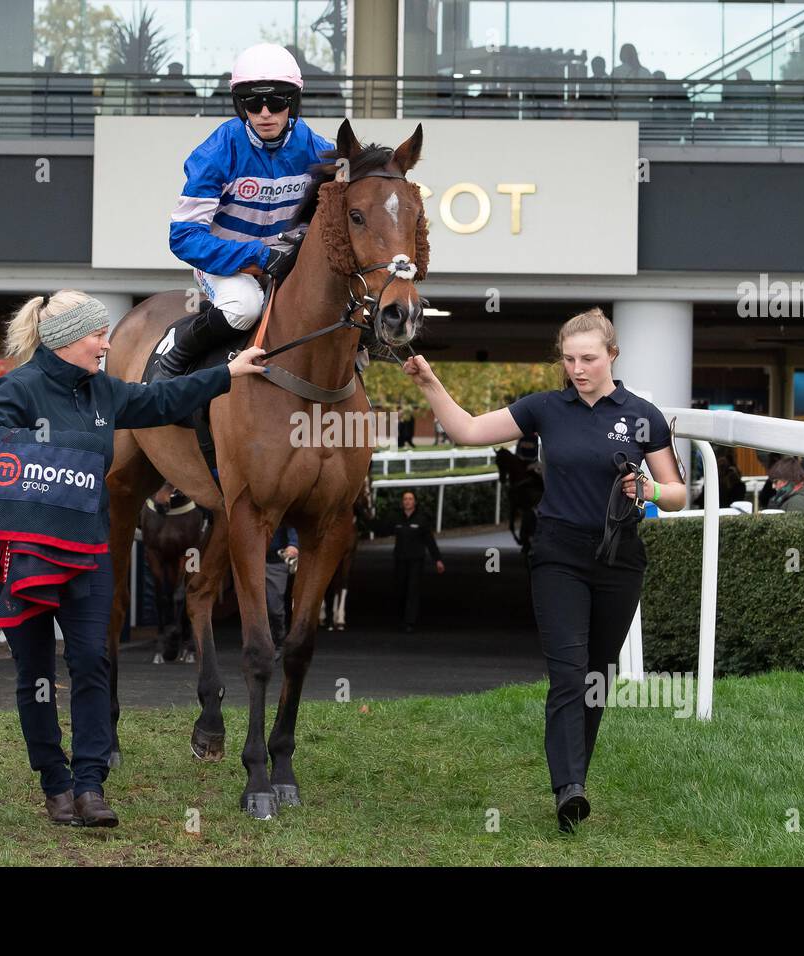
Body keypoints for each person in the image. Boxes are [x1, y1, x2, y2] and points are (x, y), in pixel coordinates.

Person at [0, 290, 268, 827]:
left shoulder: (104, 392)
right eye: (97, 334)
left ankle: (89, 786)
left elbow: (163, 400)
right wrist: (51, 458)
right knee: (34, 672)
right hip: (25, 553)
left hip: (86, 551)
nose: (107, 343)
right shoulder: (19, 388)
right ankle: (54, 783)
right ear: (63, 340)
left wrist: (230, 372)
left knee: (92, 664)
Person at [402, 307, 687, 833]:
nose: (577, 369)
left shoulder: (643, 415)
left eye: (589, 359)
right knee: (567, 673)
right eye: (569, 359)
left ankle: (576, 774)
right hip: (557, 553)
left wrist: (648, 490)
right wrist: (431, 383)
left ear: (612, 357)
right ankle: (569, 789)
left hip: (619, 558)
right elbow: (467, 430)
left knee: (598, 676)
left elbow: (677, 493)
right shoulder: (544, 408)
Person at [159, 43, 336, 378]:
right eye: (253, 102)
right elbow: (183, 237)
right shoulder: (214, 154)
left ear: (292, 103)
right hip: (224, 265)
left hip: (289, 265)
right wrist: (256, 256)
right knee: (245, 307)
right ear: (241, 106)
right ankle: (176, 357)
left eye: (277, 101)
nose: (265, 112)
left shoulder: (322, 152)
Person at [391, 490, 445, 633]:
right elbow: (381, 527)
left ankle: (410, 621)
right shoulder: (397, 519)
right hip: (400, 560)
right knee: (401, 590)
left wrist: (438, 559)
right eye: (405, 499)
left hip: (415, 560)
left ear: (415, 502)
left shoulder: (421, 519)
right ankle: (401, 618)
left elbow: (429, 540)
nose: (407, 501)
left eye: (410, 499)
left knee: (412, 591)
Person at [265, 523, 299, 657]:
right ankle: (261, 645)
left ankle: (279, 641)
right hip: (252, 560)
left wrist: (294, 543)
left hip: (275, 561)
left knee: (274, 608)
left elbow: (291, 519)